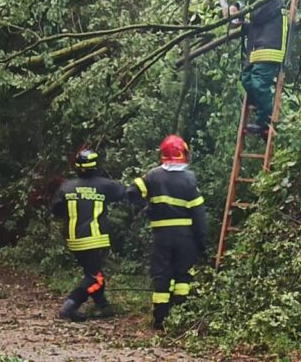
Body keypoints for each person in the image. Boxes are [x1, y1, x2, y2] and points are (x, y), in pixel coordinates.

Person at [128, 135, 206, 330]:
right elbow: (198, 213)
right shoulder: (189, 179)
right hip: (185, 236)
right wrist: (201, 240)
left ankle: (160, 319)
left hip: (161, 235)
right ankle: (180, 314)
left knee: (162, 274)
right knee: (183, 276)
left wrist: (147, 206)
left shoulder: (152, 176)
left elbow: (131, 191)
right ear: (183, 154)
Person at [50, 148, 128, 322]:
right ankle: (70, 306)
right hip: (95, 239)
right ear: (96, 166)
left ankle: (103, 305)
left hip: (74, 241)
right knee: (95, 278)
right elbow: (125, 192)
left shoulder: (66, 187)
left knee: (92, 271)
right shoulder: (105, 185)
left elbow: (55, 210)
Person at [219, 0, 287, 137]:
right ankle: (262, 107)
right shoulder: (267, 7)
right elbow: (255, 24)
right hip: (259, 53)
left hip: (270, 52)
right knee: (247, 81)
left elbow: (256, 15)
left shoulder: (274, 0)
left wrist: (239, 9)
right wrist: (239, 21)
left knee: (258, 84)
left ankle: (265, 121)